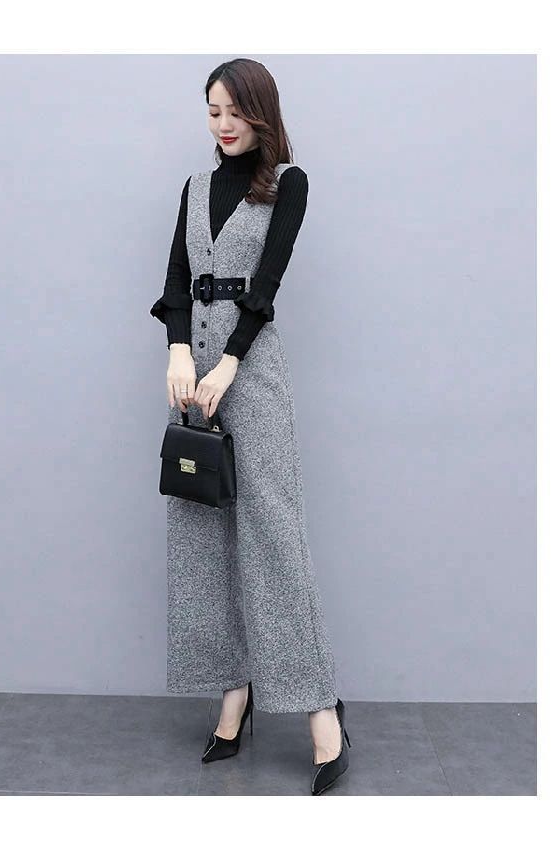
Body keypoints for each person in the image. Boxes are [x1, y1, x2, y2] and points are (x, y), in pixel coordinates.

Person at [150, 58, 351, 795]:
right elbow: (176, 277)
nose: (223, 124)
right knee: (200, 537)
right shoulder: (194, 187)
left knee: (272, 537)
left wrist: (228, 362)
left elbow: (266, 284)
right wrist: (178, 349)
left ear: (262, 113)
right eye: (213, 112)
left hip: (250, 372)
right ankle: (233, 695)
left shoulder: (288, 183)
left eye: (235, 111)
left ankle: (322, 710)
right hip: (191, 377)